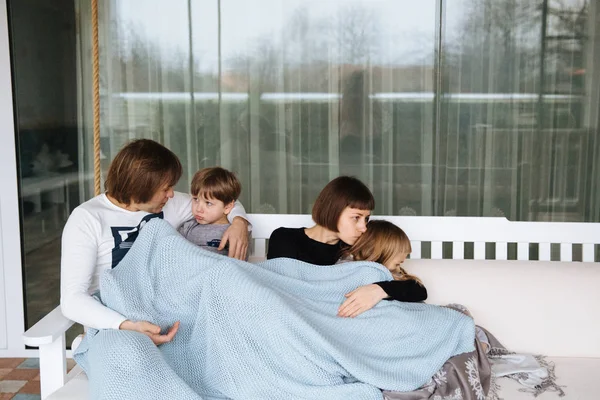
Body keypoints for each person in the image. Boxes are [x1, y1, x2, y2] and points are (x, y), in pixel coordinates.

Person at [60, 139, 250, 345]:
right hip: (118, 325)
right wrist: (128, 325)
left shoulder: (169, 204)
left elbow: (225, 200)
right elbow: (72, 299)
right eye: (166, 188)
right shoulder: (87, 218)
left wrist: (239, 222)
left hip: (168, 313)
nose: (171, 194)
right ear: (141, 186)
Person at [268, 176, 424, 311]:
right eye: (356, 217)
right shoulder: (285, 238)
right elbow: (280, 290)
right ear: (333, 211)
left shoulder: (355, 248)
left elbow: (416, 288)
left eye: (366, 219)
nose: (363, 227)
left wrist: (380, 290)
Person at [337, 219, 427, 318]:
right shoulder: (348, 269)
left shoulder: (394, 273)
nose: (405, 256)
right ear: (380, 248)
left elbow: (420, 291)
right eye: (401, 249)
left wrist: (382, 289)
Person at [178, 167, 251, 260]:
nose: (198, 209)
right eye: (196, 199)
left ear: (227, 207)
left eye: (208, 203)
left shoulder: (236, 232)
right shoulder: (187, 227)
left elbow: (239, 262)